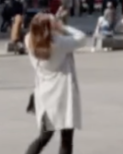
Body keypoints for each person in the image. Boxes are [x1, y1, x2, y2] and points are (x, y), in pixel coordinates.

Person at [25, 14, 88, 154]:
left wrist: (49, 25)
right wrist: (62, 27)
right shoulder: (59, 43)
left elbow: (36, 32)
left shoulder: (30, 40)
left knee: (44, 136)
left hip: (44, 96)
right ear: (49, 28)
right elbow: (82, 37)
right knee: (66, 139)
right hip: (63, 95)